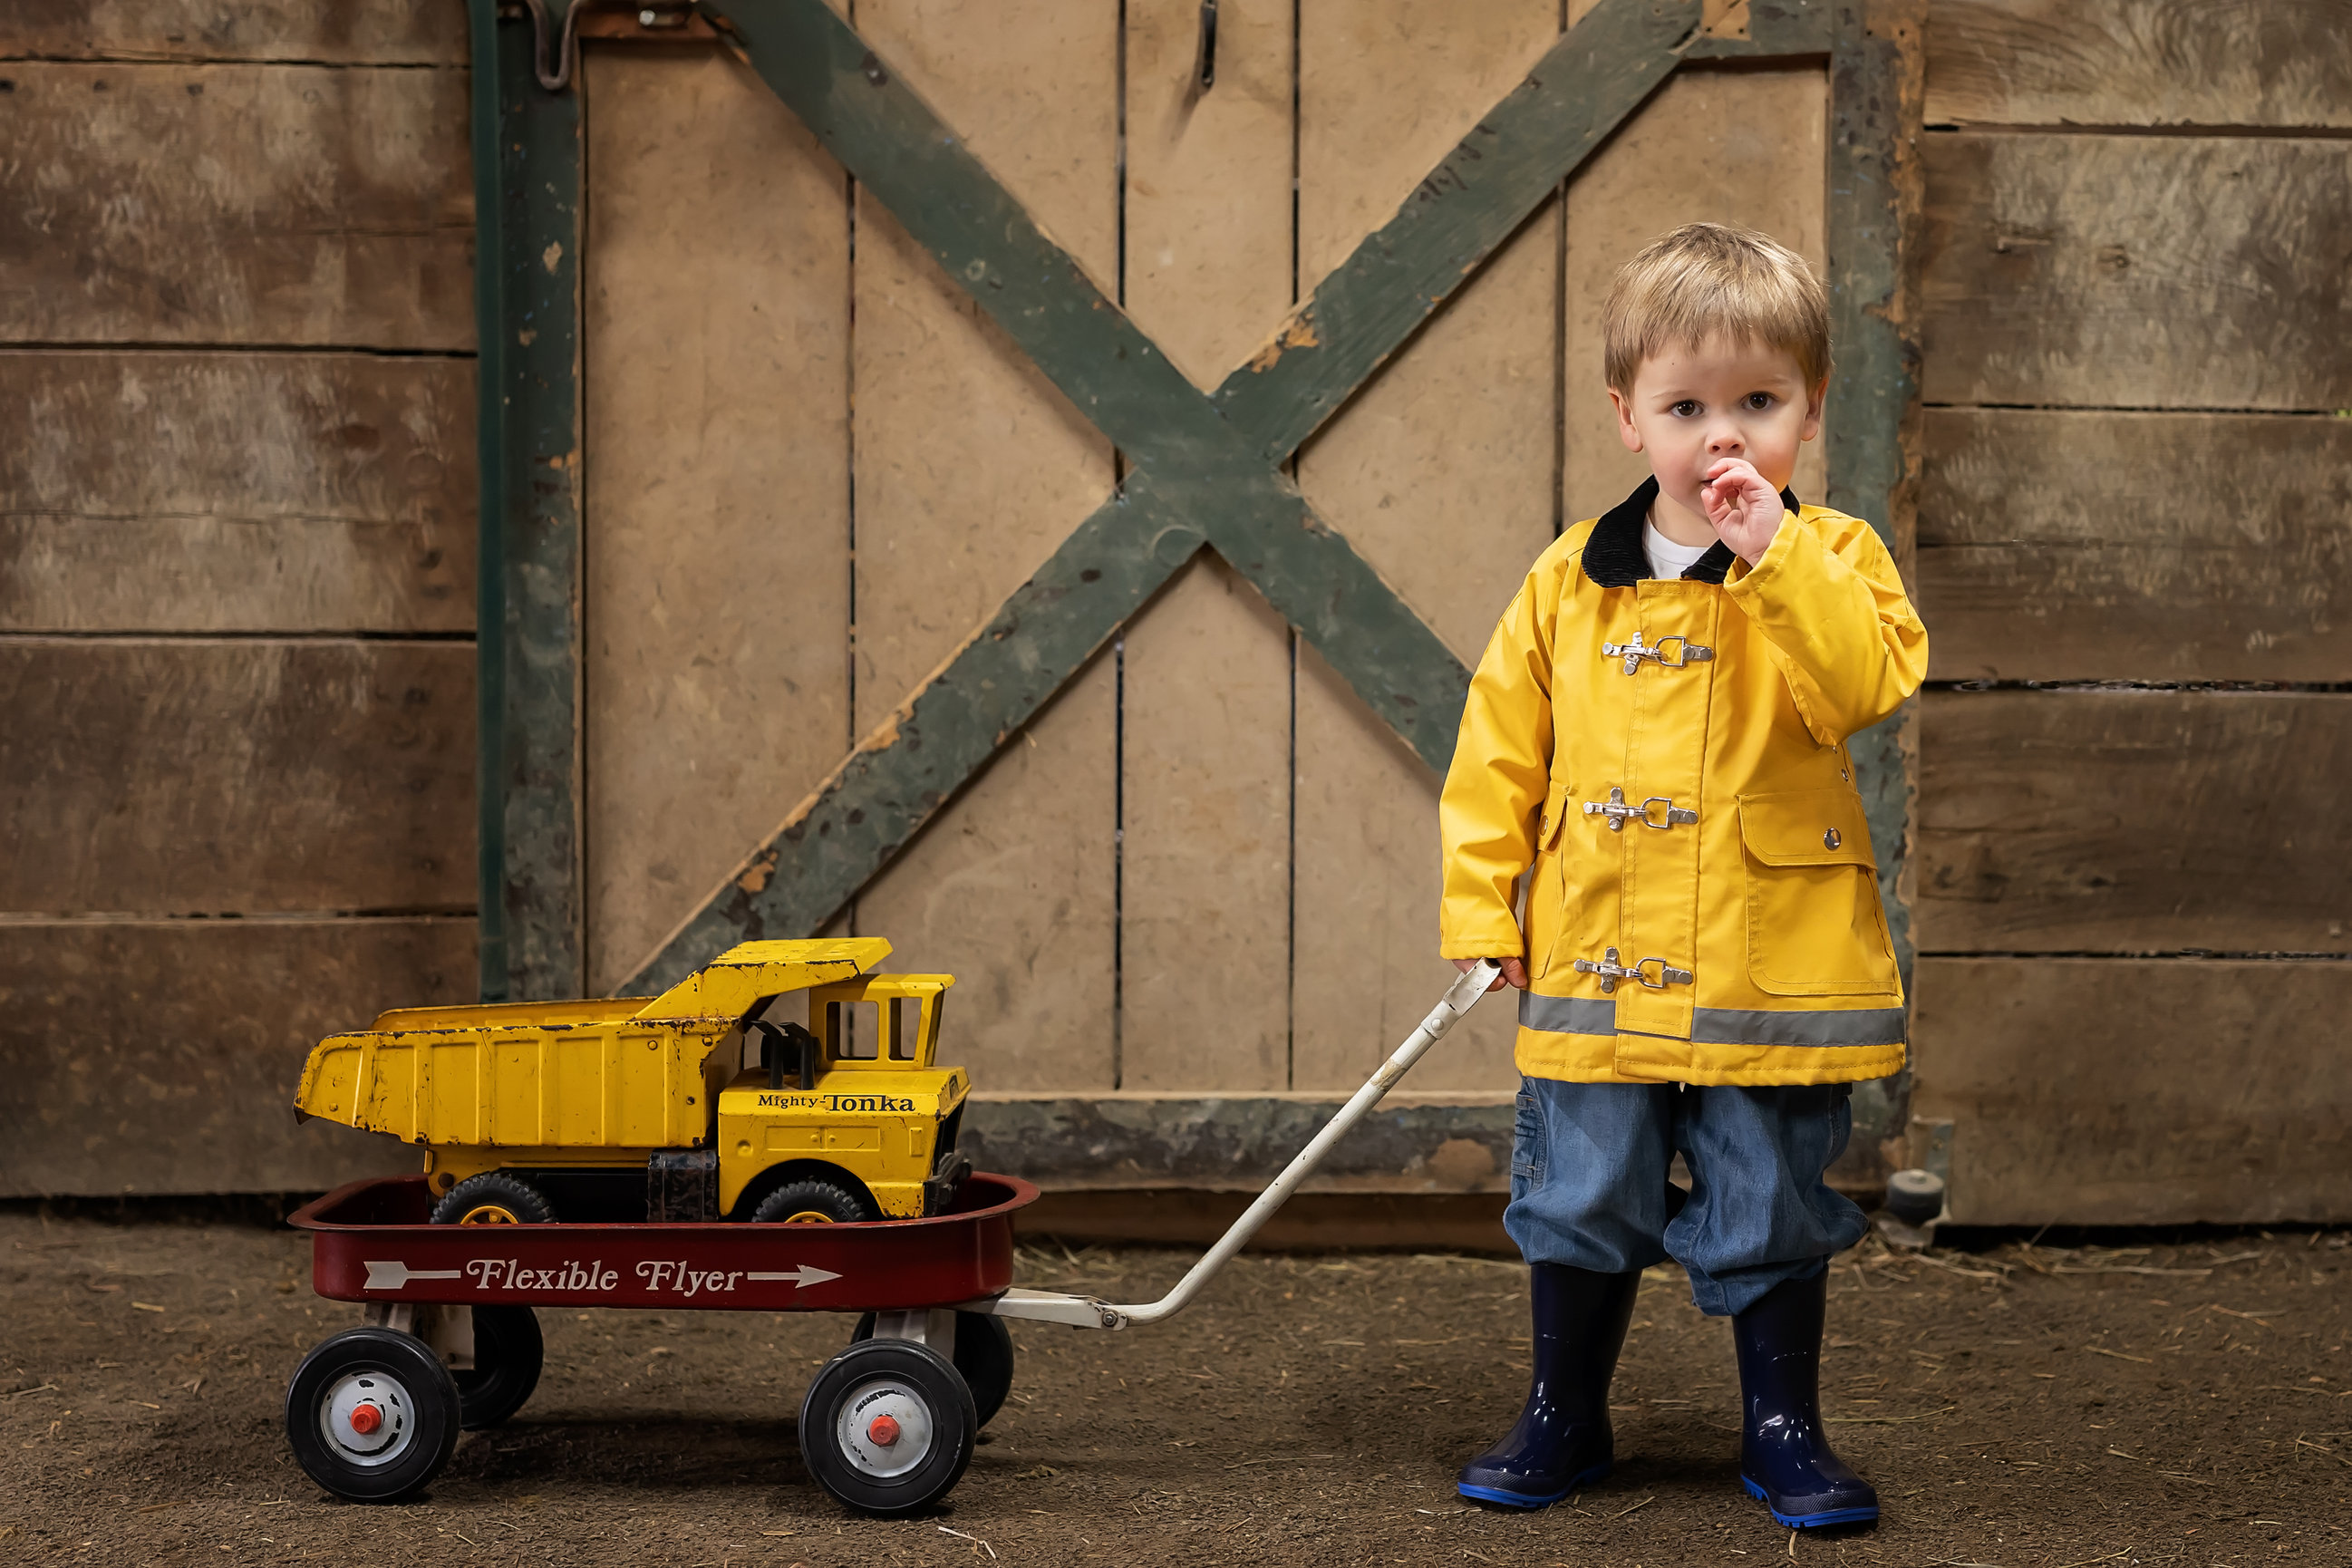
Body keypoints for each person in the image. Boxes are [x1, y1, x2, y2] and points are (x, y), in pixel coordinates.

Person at [1437, 222, 1928, 1529]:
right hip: (1597, 957)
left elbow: (1860, 684)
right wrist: (1485, 907)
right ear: (1627, 416)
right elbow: (1497, 755)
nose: (1724, 438)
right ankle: (1563, 1410)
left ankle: (1783, 1427)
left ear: (1808, 413)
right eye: (1688, 406)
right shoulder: (1566, 584)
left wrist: (1777, 559)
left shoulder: (1839, 563)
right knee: (1578, 1189)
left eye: (1758, 405)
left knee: (1769, 1195)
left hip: (1767, 965)